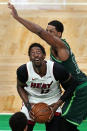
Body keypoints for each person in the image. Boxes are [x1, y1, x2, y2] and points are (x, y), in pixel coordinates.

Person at [8, 3, 87, 131]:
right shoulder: (52, 49)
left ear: (59, 34)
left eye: (51, 32)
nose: (48, 34)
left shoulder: (60, 46)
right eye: (47, 31)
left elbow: (39, 31)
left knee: (64, 125)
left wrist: (17, 17)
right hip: (73, 88)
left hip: (79, 90)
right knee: (63, 126)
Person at [16, 42, 79, 131]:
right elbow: (20, 87)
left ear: (44, 55)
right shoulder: (23, 70)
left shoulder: (56, 69)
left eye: (38, 52)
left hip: (53, 101)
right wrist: (28, 106)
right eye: (32, 53)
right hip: (32, 100)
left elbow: (72, 85)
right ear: (30, 57)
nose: (35, 55)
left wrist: (57, 105)